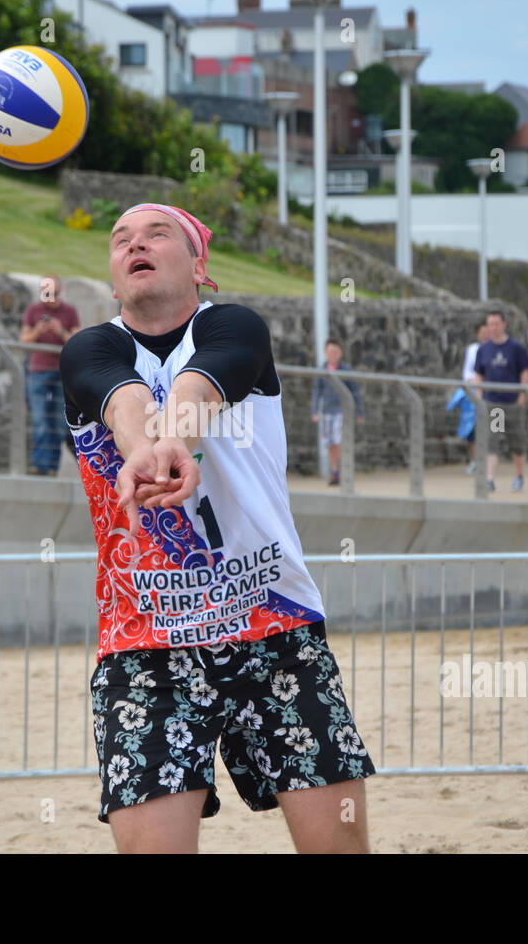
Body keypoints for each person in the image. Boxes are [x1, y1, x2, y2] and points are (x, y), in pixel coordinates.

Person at [59, 202, 374, 854]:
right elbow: (122, 397)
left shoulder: (236, 327)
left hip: (274, 626)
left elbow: (201, 385)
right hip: (145, 646)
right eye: (121, 240)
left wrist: (170, 442)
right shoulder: (89, 347)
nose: (135, 243)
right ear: (115, 281)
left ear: (201, 267)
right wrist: (143, 446)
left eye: (156, 233)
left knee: (339, 847)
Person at [21, 276, 80, 475]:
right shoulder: (33, 311)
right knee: (39, 419)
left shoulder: (69, 312)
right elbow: (24, 340)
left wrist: (59, 330)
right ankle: (39, 465)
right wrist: (38, 330)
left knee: (58, 422)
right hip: (38, 371)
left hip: (62, 373)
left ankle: (52, 467)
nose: (49, 298)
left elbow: (77, 341)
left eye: (52, 293)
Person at [473, 309, 528, 493]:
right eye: (490, 324)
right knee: (493, 440)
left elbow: (525, 371)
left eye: (496, 324)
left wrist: (522, 394)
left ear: (504, 324)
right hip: (494, 403)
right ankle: (490, 478)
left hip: (512, 402)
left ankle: (519, 475)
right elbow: (478, 374)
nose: (493, 328)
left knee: (516, 442)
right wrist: (480, 395)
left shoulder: (515, 348)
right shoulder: (484, 348)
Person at [311, 338, 365, 486]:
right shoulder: (322, 370)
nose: (332, 354)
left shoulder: (346, 370)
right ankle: (335, 472)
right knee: (330, 443)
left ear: (340, 353)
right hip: (327, 411)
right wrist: (315, 410)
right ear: (325, 353)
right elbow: (317, 391)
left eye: (335, 351)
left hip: (341, 411)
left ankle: (342, 470)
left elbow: (355, 391)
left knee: (338, 441)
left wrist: (359, 411)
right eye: (329, 351)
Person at [461, 321, 488, 473]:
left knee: (497, 428)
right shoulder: (472, 349)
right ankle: (475, 461)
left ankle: (491, 460)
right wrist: (476, 382)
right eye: (482, 332)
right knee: (473, 428)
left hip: (494, 396)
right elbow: (467, 373)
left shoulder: (497, 349)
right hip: (475, 395)